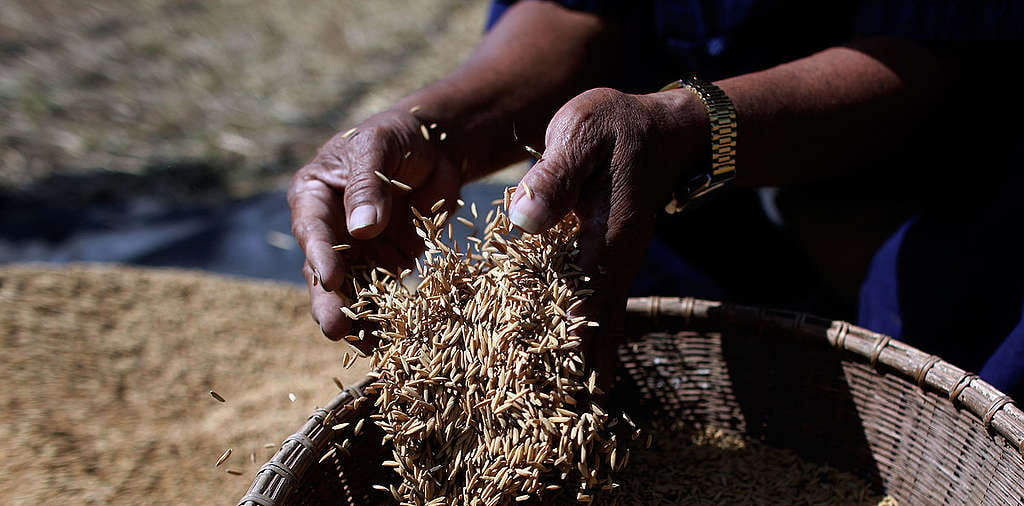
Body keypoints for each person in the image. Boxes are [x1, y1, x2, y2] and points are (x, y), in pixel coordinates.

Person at [288, 0, 1024, 398]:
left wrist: (688, 129)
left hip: (941, 174)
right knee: (601, 345)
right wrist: (437, 127)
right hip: (669, 173)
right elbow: (576, 9)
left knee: (940, 381)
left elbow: (934, 55)